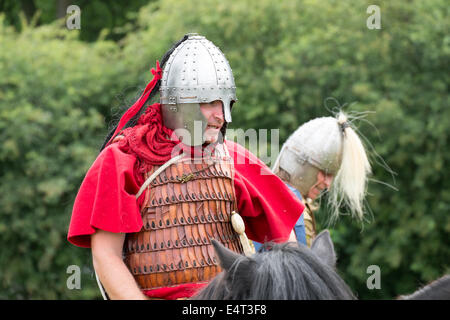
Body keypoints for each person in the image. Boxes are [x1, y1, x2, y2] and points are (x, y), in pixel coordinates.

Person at [67, 34, 303, 300]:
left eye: (226, 104)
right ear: (181, 103)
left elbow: (287, 246)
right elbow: (106, 255)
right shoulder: (125, 160)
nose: (222, 116)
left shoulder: (233, 159)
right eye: (210, 102)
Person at [271, 113, 372, 246]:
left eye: (332, 176)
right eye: (325, 173)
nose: (328, 184)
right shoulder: (285, 204)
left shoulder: (289, 201)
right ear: (304, 164)